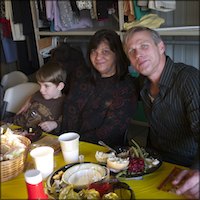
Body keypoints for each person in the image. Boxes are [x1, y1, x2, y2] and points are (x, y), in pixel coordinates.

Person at [123, 26, 199, 199]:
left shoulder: (189, 79)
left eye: (144, 46)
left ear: (161, 47)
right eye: (131, 51)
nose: (138, 54)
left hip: (186, 166)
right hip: (153, 161)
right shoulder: (143, 81)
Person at [61, 29, 138, 147]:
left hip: (97, 151)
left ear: (117, 54)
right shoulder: (80, 73)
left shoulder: (125, 88)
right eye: (94, 51)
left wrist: (73, 143)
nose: (98, 57)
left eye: (105, 51)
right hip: (63, 142)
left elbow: (110, 133)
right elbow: (58, 93)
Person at [4, 61, 67, 135]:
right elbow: (27, 104)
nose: (41, 90)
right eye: (40, 85)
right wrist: (28, 102)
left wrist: (55, 124)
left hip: (34, 136)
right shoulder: (39, 94)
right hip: (14, 126)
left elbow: (66, 124)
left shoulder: (65, 104)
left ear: (60, 86)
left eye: (46, 86)